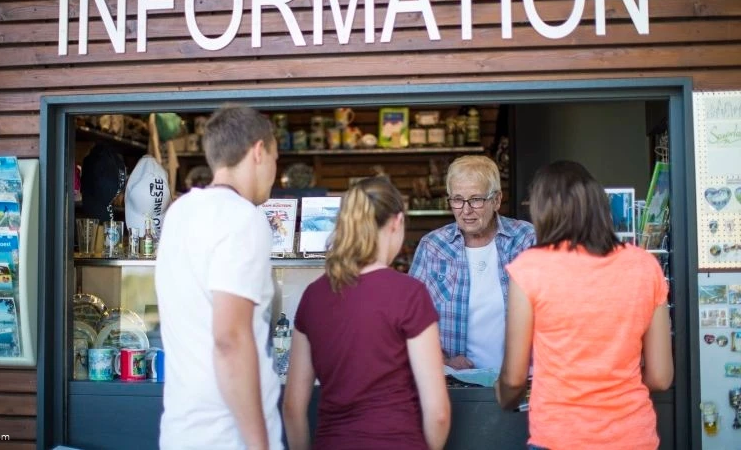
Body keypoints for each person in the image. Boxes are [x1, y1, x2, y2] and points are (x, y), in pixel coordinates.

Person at [496, 160, 673, 449]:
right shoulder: (644, 265)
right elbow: (661, 377)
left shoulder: (530, 268)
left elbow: (514, 379)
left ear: (542, 212)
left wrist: (502, 395)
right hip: (632, 437)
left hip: (559, 438)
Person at [283, 177, 450, 450]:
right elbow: (439, 414)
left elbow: (292, 408)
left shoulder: (314, 296)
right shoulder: (409, 294)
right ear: (396, 223)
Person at [155, 104, 281, 450]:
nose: (275, 171)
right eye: (275, 158)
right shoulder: (242, 218)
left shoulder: (179, 213)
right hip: (228, 437)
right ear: (258, 152)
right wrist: (260, 444)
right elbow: (230, 339)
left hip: (182, 429)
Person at [409, 156, 535, 370]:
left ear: (496, 200)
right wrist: (444, 361)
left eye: (476, 199)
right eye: (457, 199)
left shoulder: (526, 239)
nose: (466, 210)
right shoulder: (433, 246)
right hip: (456, 384)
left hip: (522, 381)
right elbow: (411, 320)